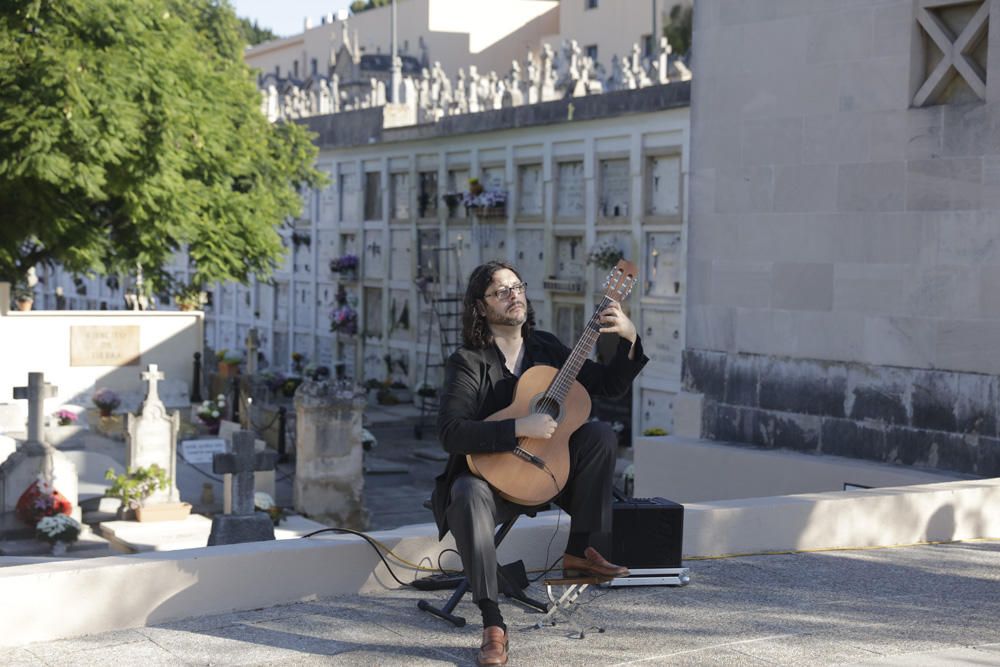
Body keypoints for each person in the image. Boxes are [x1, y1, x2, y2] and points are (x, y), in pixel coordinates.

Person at [432, 260, 648, 666]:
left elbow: (609, 386)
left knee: (600, 433)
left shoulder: (546, 347)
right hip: (491, 485)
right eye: (501, 291)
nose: (515, 295)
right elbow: (450, 432)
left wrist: (630, 338)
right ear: (480, 307)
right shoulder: (469, 361)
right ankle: (493, 624)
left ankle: (582, 550)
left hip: (549, 475)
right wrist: (519, 426)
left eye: (518, 286)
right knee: (465, 492)